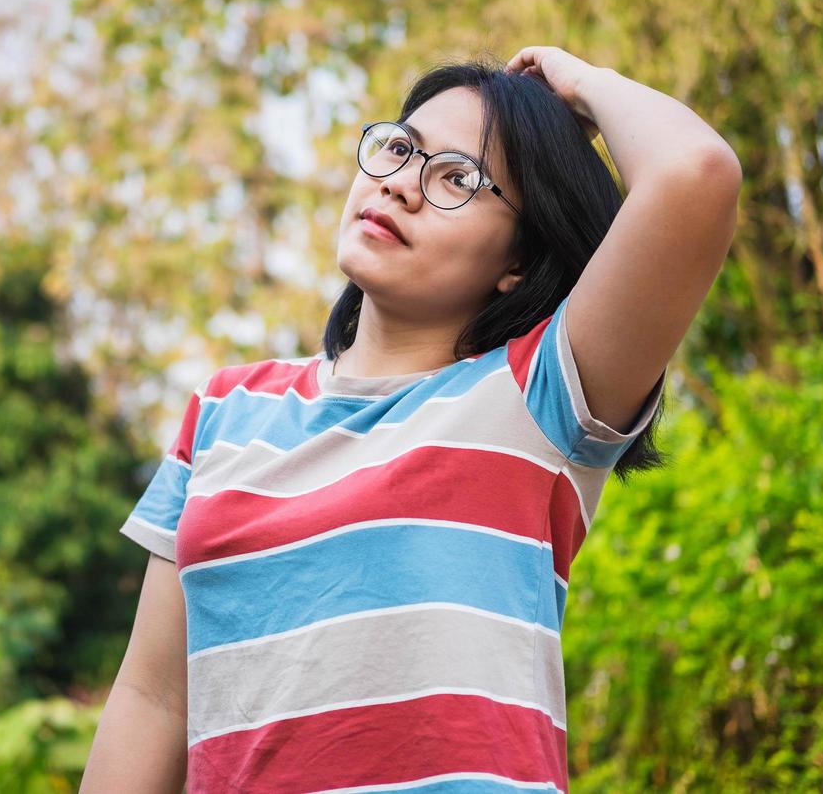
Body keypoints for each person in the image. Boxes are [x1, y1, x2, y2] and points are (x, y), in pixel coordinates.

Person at [82, 46, 742, 793]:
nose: (400, 185)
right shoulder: (226, 410)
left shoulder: (538, 395)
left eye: (458, 178)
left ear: (519, 262)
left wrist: (583, 86)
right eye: (399, 149)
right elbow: (155, 700)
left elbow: (696, 175)